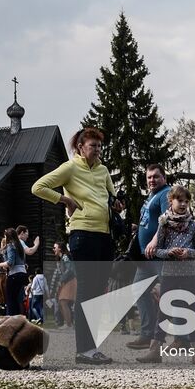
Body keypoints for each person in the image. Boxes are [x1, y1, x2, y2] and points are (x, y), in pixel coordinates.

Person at [32, 126, 121, 365]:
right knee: (86, 292)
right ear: (81, 148)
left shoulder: (103, 170)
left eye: (100, 146)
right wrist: (64, 199)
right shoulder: (70, 167)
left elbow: (111, 197)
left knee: (98, 294)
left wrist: (116, 206)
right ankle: (84, 350)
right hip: (82, 235)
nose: (98, 150)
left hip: (105, 236)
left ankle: (91, 348)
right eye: (93, 146)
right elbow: (38, 187)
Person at [139, 184, 195, 363]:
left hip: (189, 273)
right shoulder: (164, 224)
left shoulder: (192, 225)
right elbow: (156, 251)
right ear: (171, 201)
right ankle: (155, 351)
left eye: (186, 201)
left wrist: (188, 253)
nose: (183, 204)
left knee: (192, 309)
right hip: (169, 273)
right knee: (164, 309)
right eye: (179, 200)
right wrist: (168, 252)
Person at [126, 164, 170, 352]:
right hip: (145, 258)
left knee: (171, 295)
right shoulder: (150, 196)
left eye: (156, 176)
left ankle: (184, 337)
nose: (152, 180)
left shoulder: (166, 194)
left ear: (164, 178)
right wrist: (139, 227)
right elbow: (150, 220)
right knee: (138, 291)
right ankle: (147, 335)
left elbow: (168, 219)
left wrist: (153, 240)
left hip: (160, 255)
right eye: (149, 177)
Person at [0, 226, 40, 318]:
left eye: (5, 236)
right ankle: (19, 320)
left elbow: (10, 262)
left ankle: (10, 320)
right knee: (18, 300)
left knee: (10, 300)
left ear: (8, 237)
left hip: (14, 275)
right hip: (22, 274)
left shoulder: (11, 245)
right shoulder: (19, 245)